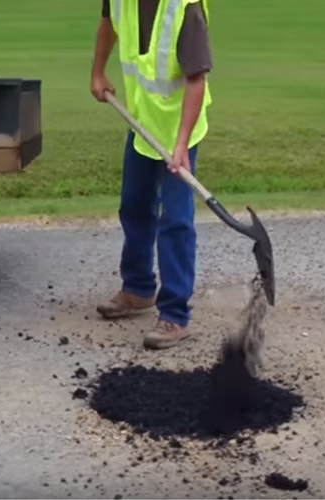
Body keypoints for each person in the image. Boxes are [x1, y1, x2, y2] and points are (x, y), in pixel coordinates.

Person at [90, 0, 213, 350]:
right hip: (143, 124)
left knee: (175, 219)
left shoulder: (184, 9)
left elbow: (196, 79)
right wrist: (98, 70)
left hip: (180, 129)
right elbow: (107, 24)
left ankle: (174, 315)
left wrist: (181, 145)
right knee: (134, 205)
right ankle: (138, 287)